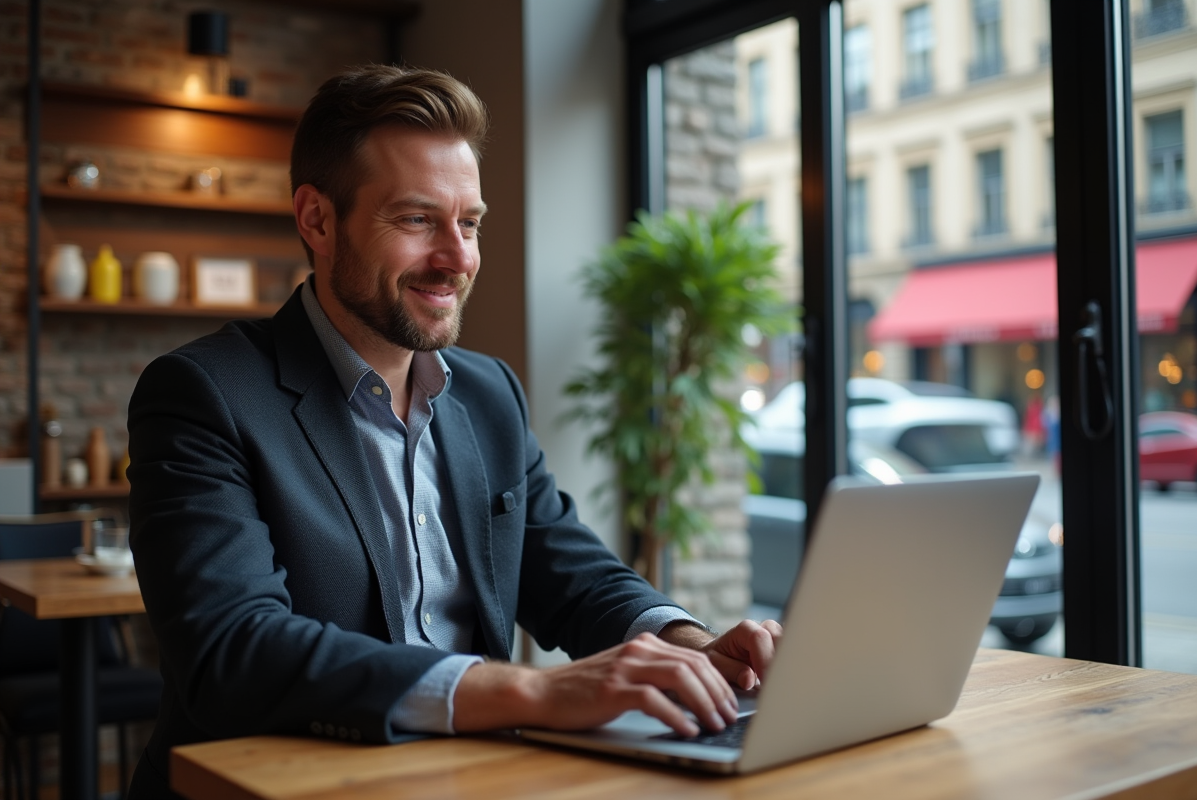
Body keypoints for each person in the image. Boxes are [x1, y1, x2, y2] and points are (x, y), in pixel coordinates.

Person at [125, 65, 782, 797]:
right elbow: (231, 651)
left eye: (469, 223)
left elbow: (567, 572)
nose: (459, 258)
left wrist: (689, 646)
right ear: (316, 219)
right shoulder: (204, 393)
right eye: (416, 220)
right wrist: (534, 692)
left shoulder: (488, 391)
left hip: (469, 779)